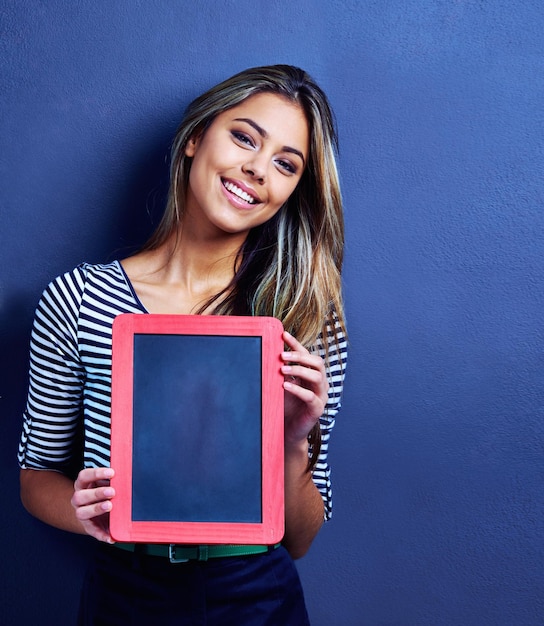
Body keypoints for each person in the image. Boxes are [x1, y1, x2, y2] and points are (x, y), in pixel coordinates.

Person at [18, 64, 347, 625]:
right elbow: (36, 478)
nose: (257, 169)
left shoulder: (306, 318)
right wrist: (90, 513)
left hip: (256, 594)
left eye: (285, 164)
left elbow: (300, 540)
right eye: (244, 137)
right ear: (195, 138)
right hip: (125, 588)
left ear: (294, 190)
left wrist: (295, 442)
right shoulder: (80, 298)